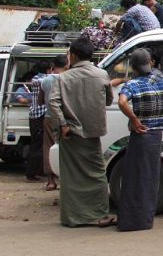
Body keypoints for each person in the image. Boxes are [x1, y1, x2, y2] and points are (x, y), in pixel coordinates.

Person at [47, 37, 116, 227]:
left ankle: (73, 217)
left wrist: (62, 124)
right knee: (97, 174)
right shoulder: (102, 75)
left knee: (70, 176)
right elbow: (109, 100)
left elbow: (52, 102)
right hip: (93, 132)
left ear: (73, 55)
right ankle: (99, 214)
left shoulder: (63, 78)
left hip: (70, 132)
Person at [116, 49, 163, 231]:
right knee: (149, 180)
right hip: (156, 137)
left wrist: (134, 119)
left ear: (133, 67)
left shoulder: (133, 85)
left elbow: (122, 102)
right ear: (150, 63)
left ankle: (130, 222)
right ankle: (145, 220)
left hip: (140, 136)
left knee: (133, 179)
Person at [38, 54, 68, 191]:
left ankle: (51, 181)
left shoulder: (45, 81)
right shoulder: (68, 78)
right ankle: (67, 181)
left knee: (48, 148)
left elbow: (40, 101)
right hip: (66, 118)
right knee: (67, 149)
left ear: (52, 67)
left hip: (50, 117)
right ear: (67, 65)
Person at [26, 61, 52, 183]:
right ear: (48, 70)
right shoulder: (43, 80)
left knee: (36, 144)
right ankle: (32, 173)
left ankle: (35, 171)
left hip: (34, 114)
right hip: (40, 115)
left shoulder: (35, 79)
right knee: (38, 145)